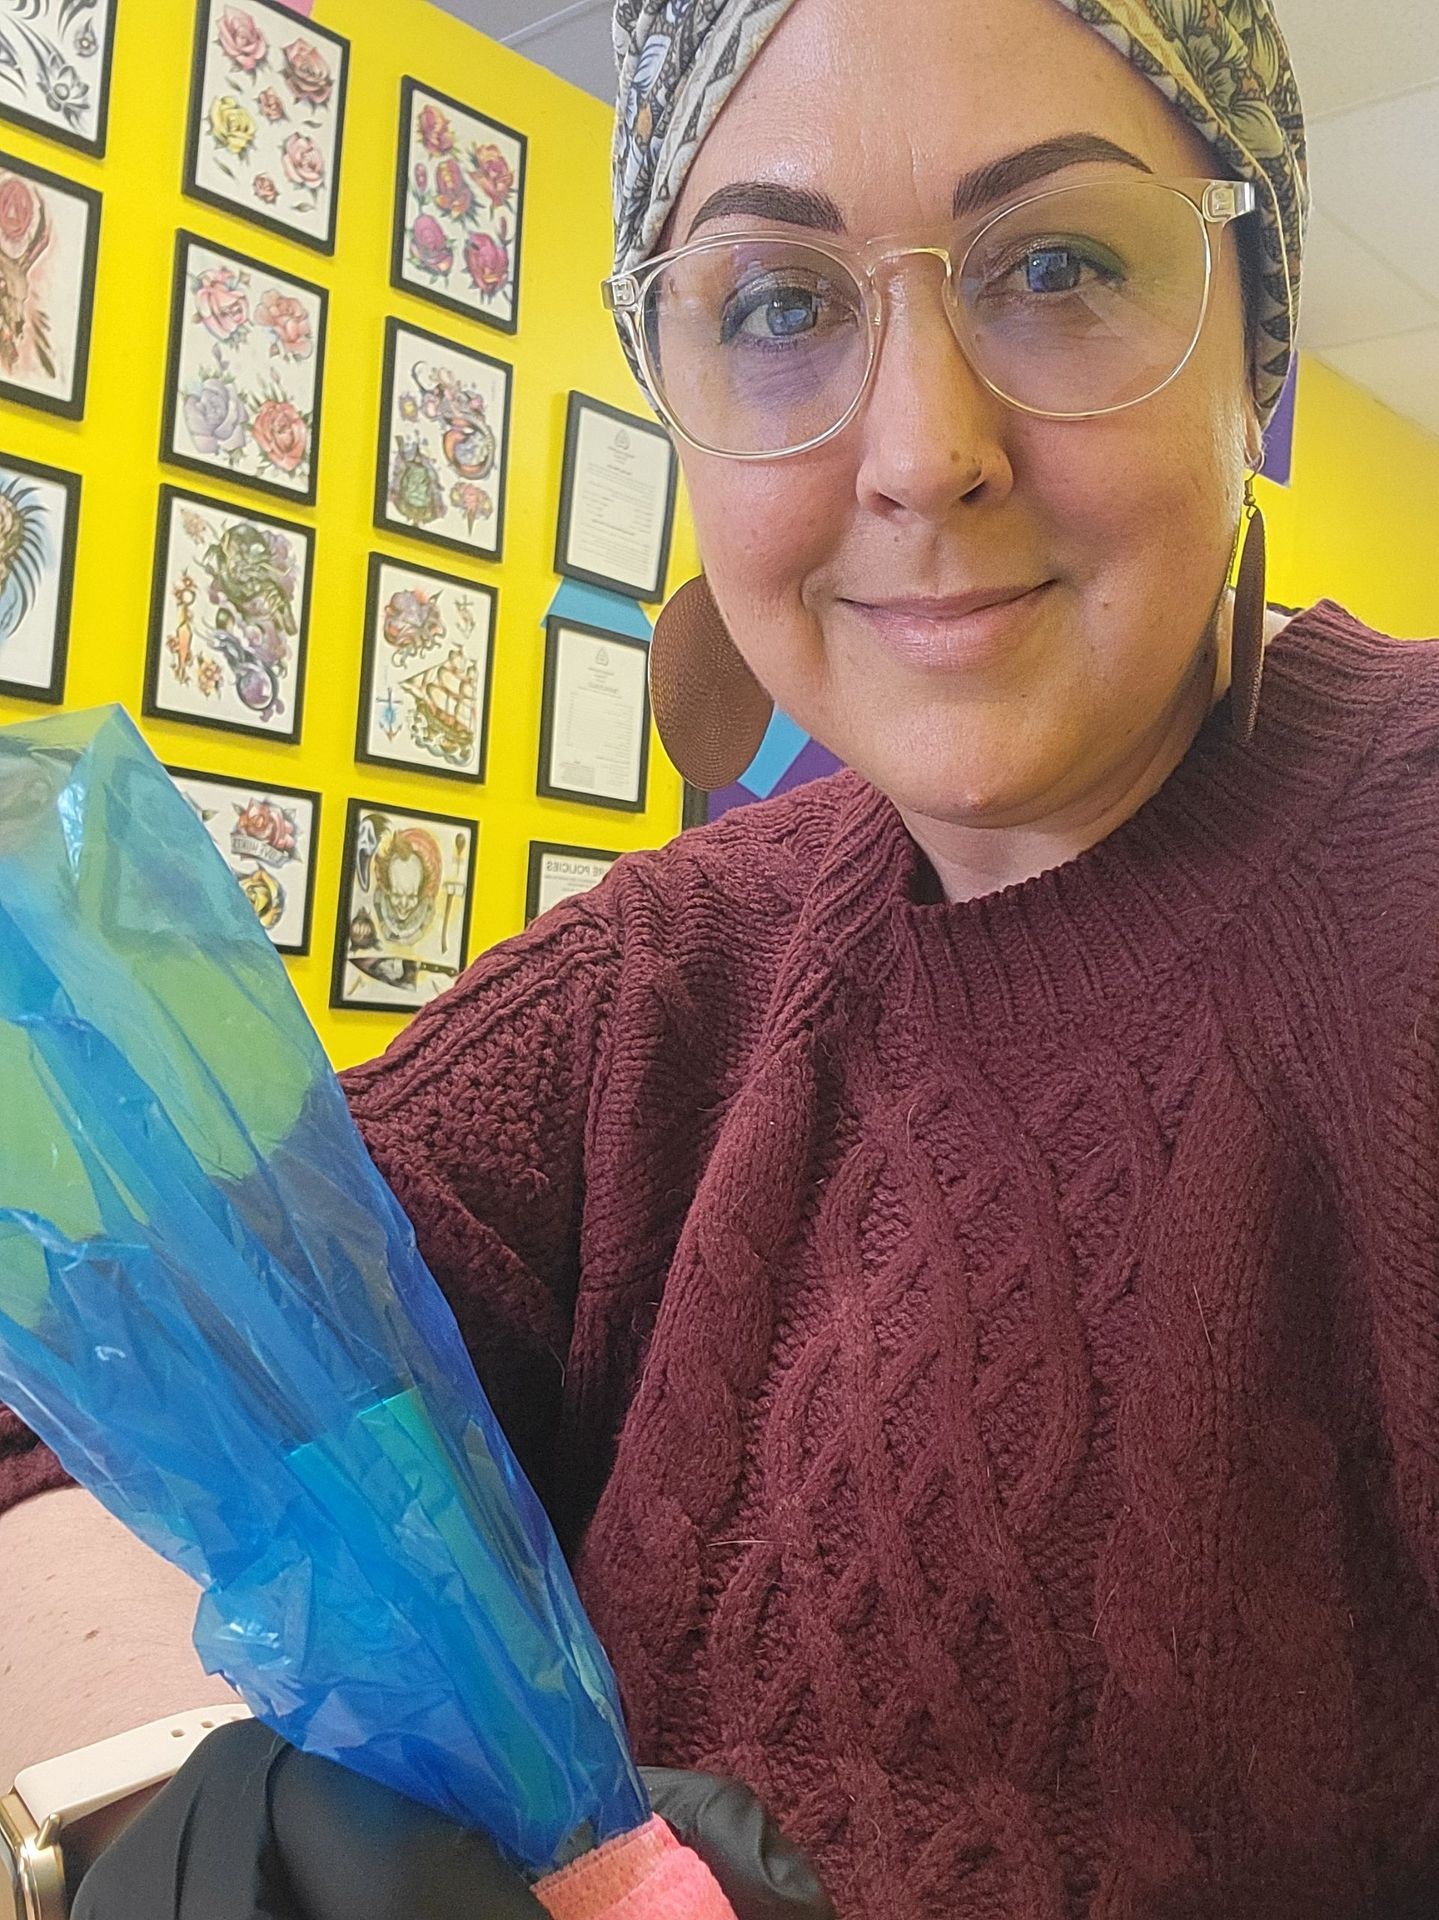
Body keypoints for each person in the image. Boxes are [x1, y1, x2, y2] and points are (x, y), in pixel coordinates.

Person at [4, 0, 1439, 1914]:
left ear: (1253, 341)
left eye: (1060, 265)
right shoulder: (671, 978)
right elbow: (140, 1365)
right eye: (778, 304)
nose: (924, 454)